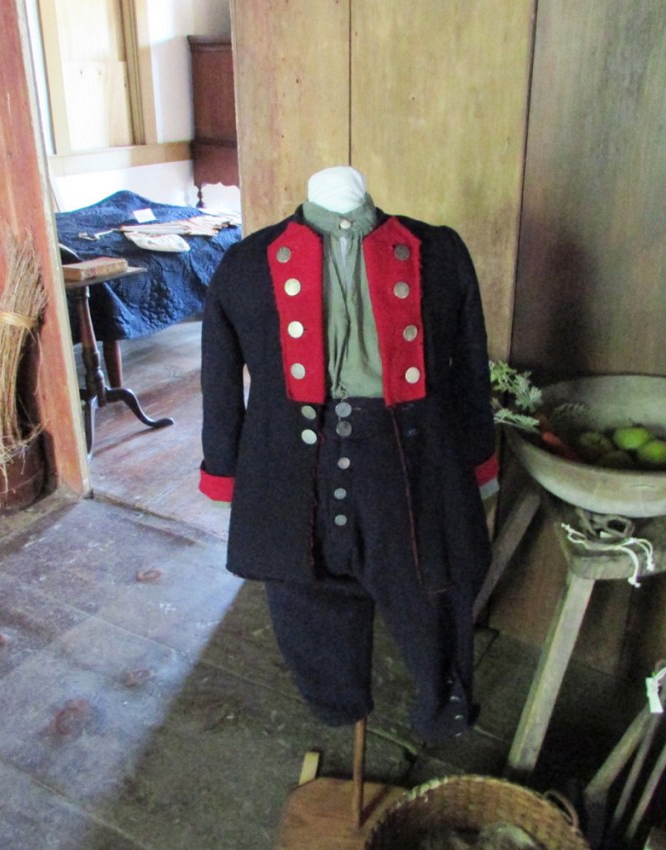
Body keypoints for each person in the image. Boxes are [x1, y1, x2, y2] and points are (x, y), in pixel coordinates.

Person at [199, 165, 498, 745]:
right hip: (289, 470)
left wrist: (478, 460)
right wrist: (225, 470)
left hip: (411, 466)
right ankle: (339, 706)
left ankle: (442, 707)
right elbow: (218, 378)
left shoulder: (438, 251)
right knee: (307, 600)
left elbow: (470, 370)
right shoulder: (245, 263)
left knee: (433, 590)